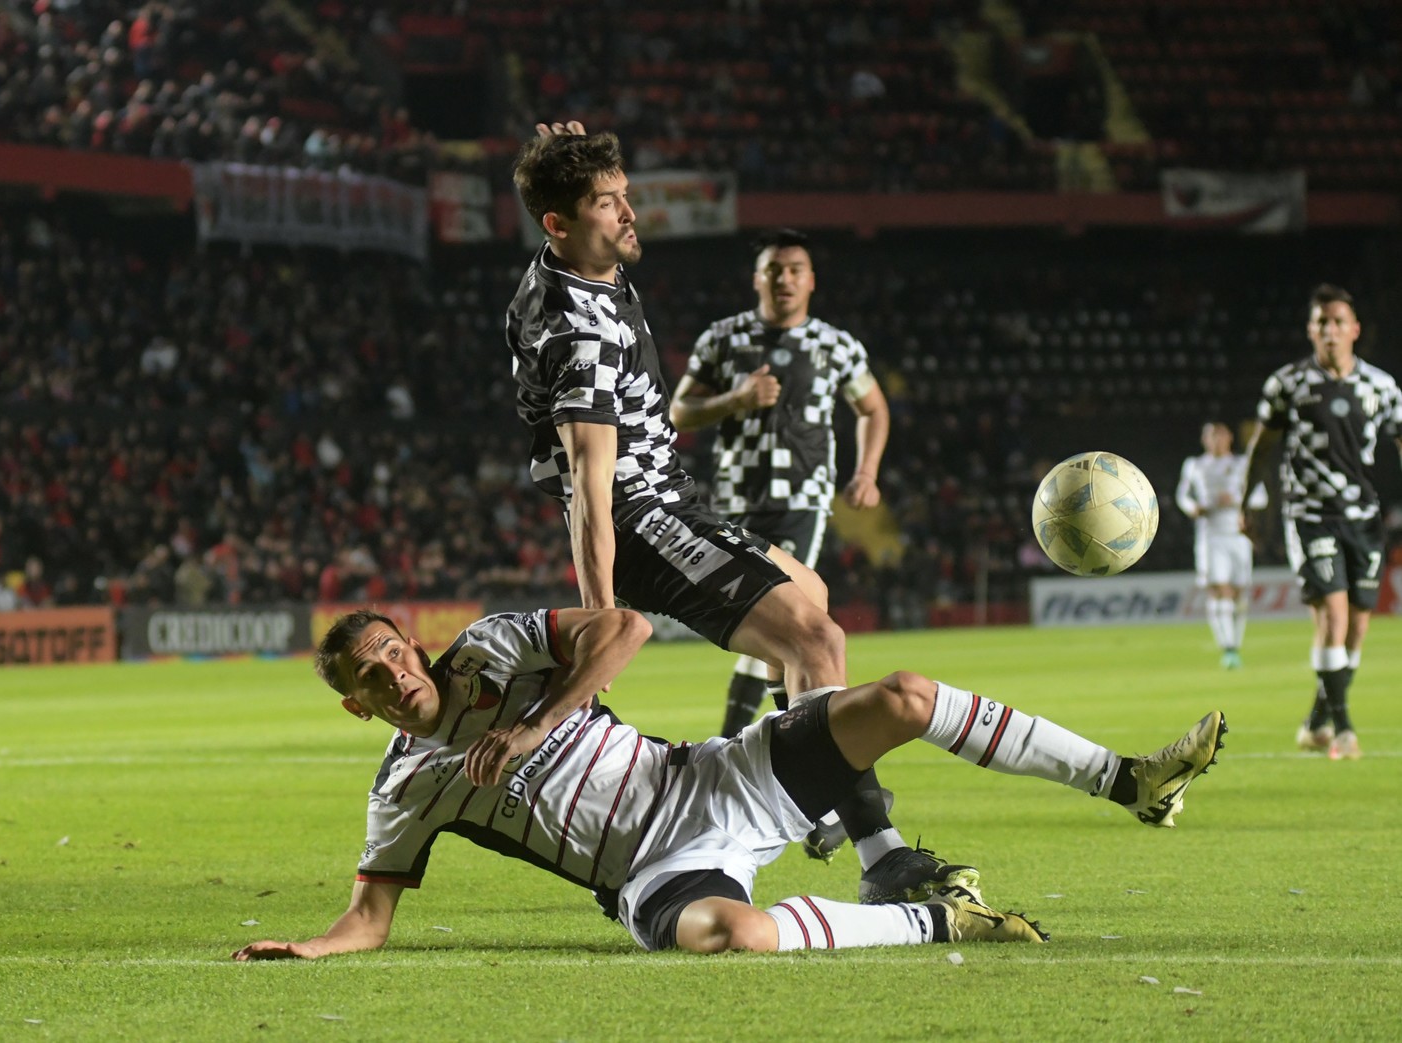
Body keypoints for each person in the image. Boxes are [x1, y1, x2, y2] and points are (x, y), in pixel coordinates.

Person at [231, 607, 1226, 960]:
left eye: (389, 652)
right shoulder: (406, 783)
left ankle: (1126, 778)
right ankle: (943, 921)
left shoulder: (497, 646)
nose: (390, 674)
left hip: (712, 779)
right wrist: (309, 946)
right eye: (367, 677)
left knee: (906, 695)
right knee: (732, 936)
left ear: (411, 639)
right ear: (357, 705)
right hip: (655, 870)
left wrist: (537, 720)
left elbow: (620, 626)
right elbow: (368, 918)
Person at [503, 122, 937, 904]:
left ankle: (767, 781)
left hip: (672, 500)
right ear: (558, 225)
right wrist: (600, 619)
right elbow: (591, 493)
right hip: (643, 517)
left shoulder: (574, 270)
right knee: (817, 637)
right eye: (607, 203)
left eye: (625, 196)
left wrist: (564, 158)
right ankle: (877, 851)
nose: (628, 214)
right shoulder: (577, 331)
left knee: (811, 596)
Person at [670, 228, 889, 742]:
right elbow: (680, 410)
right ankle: (788, 749)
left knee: (781, 610)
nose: (784, 279)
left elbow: (872, 408)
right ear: (757, 279)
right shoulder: (723, 339)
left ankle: (744, 743)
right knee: (768, 621)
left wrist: (866, 472)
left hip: (801, 498)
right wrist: (736, 398)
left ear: (811, 281)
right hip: (735, 499)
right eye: (774, 270)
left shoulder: (834, 345)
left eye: (794, 270)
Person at [1242, 284, 1402, 760]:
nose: (1330, 330)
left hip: (1363, 517)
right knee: (1331, 619)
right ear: (1311, 331)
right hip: (1310, 516)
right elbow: (1264, 445)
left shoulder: (1382, 387)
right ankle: (1344, 729)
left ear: (1354, 330)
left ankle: (1316, 722)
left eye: (1337, 322)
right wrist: (1250, 499)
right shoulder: (1288, 384)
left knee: (1356, 628)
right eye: (1321, 323)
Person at [1175, 421, 1263, 669]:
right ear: (1205, 440)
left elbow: (1260, 495)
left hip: (1237, 535)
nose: (1216, 441)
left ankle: (1235, 643)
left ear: (1229, 438)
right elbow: (1183, 495)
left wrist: (1235, 499)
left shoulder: (1242, 464)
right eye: (1211, 436)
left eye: (1220, 436)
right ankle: (1228, 647)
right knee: (1218, 589)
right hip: (1210, 535)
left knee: (1239, 593)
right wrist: (1194, 508)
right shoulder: (1195, 465)